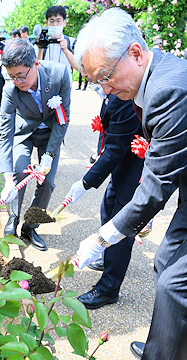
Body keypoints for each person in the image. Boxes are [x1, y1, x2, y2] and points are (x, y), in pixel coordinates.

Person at [73, 8, 187, 360]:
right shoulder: (151, 79)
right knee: (165, 260)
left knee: (174, 285)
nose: (105, 89)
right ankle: (167, 344)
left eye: (106, 77)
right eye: (97, 82)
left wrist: (102, 236)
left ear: (135, 53)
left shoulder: (168, 91)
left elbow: (155, 186)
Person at [66, 94, 144, 308]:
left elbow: (115, 148)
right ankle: (109, 258)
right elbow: (108, 134)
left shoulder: (125, 95)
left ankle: (108, 289)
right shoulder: (112, 92)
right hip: (121, 163)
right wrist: (97, 156)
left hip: (136, 165)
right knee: (107, 209)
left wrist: (85, 182)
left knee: (121, 225)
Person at [0, 38, 70, 252]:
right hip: (25, 134)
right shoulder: (10, 90)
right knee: (20, 172)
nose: (17, 81)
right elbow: (5, 134)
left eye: (21, 75)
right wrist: (7, 179)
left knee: (47, 182)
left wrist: (48, 154)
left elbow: (62, 119)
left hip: (51, 135)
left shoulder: (59, 75)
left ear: (35, 64)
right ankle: (13, 216)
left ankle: (30, 226)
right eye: (12, 77)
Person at [37, 5, 73, 84]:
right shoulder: (42, 42)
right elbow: (37, 67)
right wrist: (40, 50)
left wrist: (66, 51)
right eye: (52, 21)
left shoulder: (71, 41)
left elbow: (78, 67)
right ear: (47, 23)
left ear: (64, 22)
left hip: (65, 86)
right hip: (46, 85)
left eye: (58, 21)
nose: (55, 25)